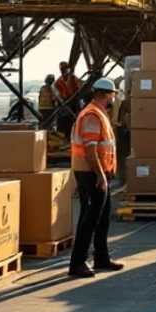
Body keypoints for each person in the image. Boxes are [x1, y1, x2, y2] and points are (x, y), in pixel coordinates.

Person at [68, 78, 123, 279]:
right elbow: (90, 149)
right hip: (90, 173)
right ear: (105, 94)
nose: (114, 98)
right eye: (113, 94)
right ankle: (78, 263)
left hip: (97, 172)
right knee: (89, 219)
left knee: (102, 217)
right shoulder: (92, 114)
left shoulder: (99, 113)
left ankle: (101, 257)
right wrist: (99, 174)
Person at [54, 62, 81, 136]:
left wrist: (77, 105)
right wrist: (60, 102)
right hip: (63, 104)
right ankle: (62, 137)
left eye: (65, 68)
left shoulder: (73, 78)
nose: (64, 70)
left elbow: (78, 91)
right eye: (62, 69)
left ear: (68, 68)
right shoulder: (58, 82)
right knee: (62, 121)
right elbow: (56, 94)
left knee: (71, 121)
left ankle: (70, 136)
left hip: (72, 102)